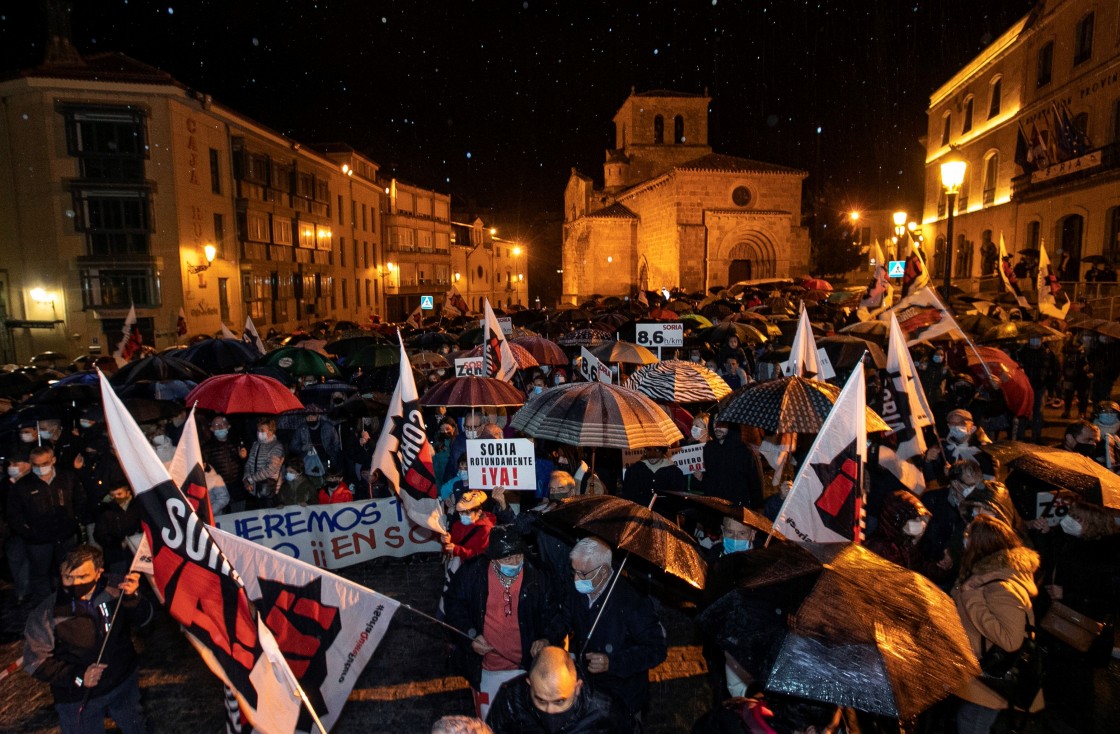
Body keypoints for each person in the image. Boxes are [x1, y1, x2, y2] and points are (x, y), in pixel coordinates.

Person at [23, 544, 153, 734]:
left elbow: (146, 623)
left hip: (122, 683)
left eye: (83, 577)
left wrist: (133, 598)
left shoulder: (118, 589)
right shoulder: (47, 613)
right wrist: (78, 676)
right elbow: (34, 661)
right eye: (68, 577)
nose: (75, 584)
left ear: (98, 573)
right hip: (78, 698)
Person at [444, 526, 562, 721]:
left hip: (526, 668)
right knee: (490, 722)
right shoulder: (472, 573)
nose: (515, 563)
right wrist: (470, 635)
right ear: (493, 558)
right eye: (507, 559)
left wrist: (546, 638)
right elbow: (454, 605)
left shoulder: (540, 576)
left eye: (518, 556)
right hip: (486, 669)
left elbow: (556, 614)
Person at [559, 537, 668, 723]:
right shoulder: (576, 591)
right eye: (574, 572)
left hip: (624, 698)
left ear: (602, 572)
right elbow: (564, 617)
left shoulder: (632, 602)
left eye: (582, 574)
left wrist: (612, 662)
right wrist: (547, 637)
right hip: (589, 692)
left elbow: (656, 649)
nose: (576, 579)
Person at [951, 514, 1043, 733]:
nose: (965, 540)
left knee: (971, 724)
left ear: (982, 545)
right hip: (978, 672)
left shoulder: (1003, 587)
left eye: (969, 536)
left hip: (992, 676)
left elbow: (1010, 641)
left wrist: (971, 598)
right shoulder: (983, 575)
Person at [1034, 500, 1120, 733]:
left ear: (1093, 523)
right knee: (1056, 680)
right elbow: (1050, 562)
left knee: (1077, 688)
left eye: (1077, 517)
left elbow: (1108, 598)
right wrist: (1045, 535)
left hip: (1082, 633)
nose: (1069, 520)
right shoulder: (1069, 540)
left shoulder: (1109, 555)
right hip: (1056, 627)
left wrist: (1068, 594)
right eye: (1070, 514)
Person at [487, 645, 631, 733]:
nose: (550, 711)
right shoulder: (511, 699)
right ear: (529, 684)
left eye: (560, 701)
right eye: (541, 700)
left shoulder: (604, 708)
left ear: (577, 688)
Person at [8, 446, 85, 602]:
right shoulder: (22, 486)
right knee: (40, 574)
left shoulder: (67, 478)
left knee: (67, 570)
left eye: (44, 463)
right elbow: (14, 515)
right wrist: (29, 532)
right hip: (38, 541)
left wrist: (74, 521)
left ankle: (68, 600)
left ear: (53, 460)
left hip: (65, 536)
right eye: (36, 465)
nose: (40, 468)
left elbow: (80, 500)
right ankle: (46, 604)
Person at [693, 420, 765, 509]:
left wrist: (757, 508)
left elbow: (755, 482)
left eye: (722, 424)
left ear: (731, 425)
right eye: (715, 423)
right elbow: (711, 479)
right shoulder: (709, 449)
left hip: (737, 509)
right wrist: (701, 478)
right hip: (714, 508)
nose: (717, 428)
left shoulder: (744, 451)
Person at [924, 408, 995, 482]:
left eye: (961, 423)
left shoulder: (983, 448)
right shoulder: (943, 447)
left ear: (971, 425)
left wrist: (954, 474)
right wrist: (928, 461)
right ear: (949, 426)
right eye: (953, 424)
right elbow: (931, 478)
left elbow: (989, 479)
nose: (956, 427)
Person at [1014, 337, 1059, 443]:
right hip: (1024, 387)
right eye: (1032, 338)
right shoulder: (1021, 352)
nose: (1035, 340)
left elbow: (1055, 370)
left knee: (1038, 413)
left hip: (1040, 386)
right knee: (1024, 411)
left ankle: (1036, 437)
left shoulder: (1048, 353)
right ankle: (1020, 437)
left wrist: (1050, 385)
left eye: (1037, 338)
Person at [93, 482, 143, 574]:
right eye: (113, 495)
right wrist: (118, 544)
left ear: (128, 493)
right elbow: (99, 535)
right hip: (116, 557)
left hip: (137, 554)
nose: (116, 498)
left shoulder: (138, 507)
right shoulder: (105, 511)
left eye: (119, 494)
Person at [203, 414, 248, 513]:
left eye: (223, 424)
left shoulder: (237, 443)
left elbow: (248, 465)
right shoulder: (207, 448)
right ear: (211, 429)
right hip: (219, 491)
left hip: (237, 488)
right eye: (216, 425)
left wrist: (244, 457)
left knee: (240, 516)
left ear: (228, 426)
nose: (220, 427)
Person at [620, 446, 685, 507]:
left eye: (657, 450)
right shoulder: (634, 470)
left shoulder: (674, 472)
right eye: (649, 450)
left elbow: (678, 501)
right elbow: (628, 497)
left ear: (663, 451)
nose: (652, 454)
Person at [242, 418, 285, 509]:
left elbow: (270, 469)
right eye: (258, 430)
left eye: (262, 430)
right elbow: (249, 463)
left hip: (269, 491)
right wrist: (246, 478)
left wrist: (250, 479)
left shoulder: (276, 446)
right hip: (254, 489)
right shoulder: (256, 444)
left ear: (271, 431)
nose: (259, 433)